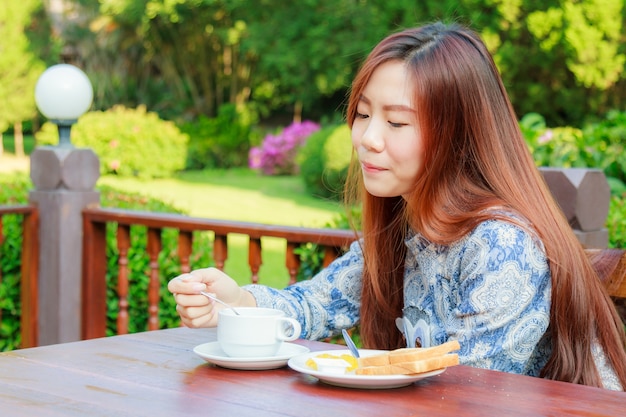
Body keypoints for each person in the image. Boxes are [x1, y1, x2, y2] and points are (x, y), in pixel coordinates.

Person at [168, 21, 626, 390]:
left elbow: (471, 391)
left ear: (457, 133)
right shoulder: (404, 229)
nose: (368, 139)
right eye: (364, 115)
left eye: (397, 121)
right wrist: (235, 301)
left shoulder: (501, 245)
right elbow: (314, 304)